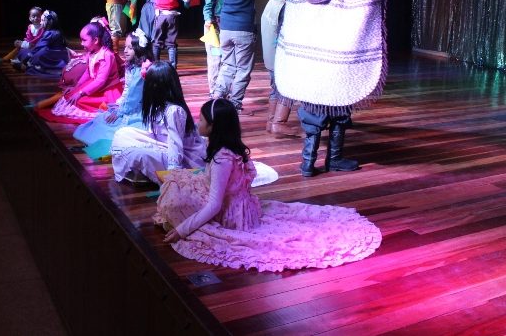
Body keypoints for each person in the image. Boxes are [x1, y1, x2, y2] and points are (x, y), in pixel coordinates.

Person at [154, 98, 382, 272]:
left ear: (213, 126)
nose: (198, 123)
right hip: (234, 203)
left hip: (232, 215)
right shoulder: (223, 150)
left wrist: (183, 230)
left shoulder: (223, 158)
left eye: (202, 120)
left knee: (177, 199)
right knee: (176, 187)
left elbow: (215, 205)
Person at [275, 0, 400, 176]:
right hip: (335, 75)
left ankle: (307, 163)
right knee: (339, 112)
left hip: (309, 74)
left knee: (312, 117)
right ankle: (334, 159)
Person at [212, 0, 283, 114]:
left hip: (225, 30)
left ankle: (217, 97)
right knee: (243, 69)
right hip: (243, 31)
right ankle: (235, 104)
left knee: (228, 65)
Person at [110, 61, 206, 184]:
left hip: (180, 154)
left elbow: (175, 144)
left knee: (139, 154)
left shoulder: (174, 111)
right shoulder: (157, 105)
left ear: (158, 86)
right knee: (122, 134)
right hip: (161, 143)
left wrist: (173, 173)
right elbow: (154, 133)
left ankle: (156, 172)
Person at [261, 0, 316, 137]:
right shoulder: (284, 6)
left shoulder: (271, 2)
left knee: (276, 89)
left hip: (270, 59)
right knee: (287, 88)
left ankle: (271, 121)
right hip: (280, 58)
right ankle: (279, 123)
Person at [72, 30, 153, 159]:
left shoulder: (141, 70)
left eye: (130, 48)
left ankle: (100, 143)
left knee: (112, 125)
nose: (125, 51)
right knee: (103, 118)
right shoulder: (131, 65)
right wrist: (119, 103)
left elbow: (134, 98)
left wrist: (120, 111)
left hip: (139, 109)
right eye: (125, 47)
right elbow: (127, 90)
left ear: (139, 49)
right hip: (129, 104)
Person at [37, 20, 123, 123]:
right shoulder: (93, 52)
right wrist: (77, 87)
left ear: (95, 40)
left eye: (84, 40)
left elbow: (100, 80)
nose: (81, 43)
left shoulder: (106, 55)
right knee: (71, 95)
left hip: (106, 89)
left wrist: (81, 92)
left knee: (80, 101)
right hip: (95, 84)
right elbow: (88, 72)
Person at [152, 0, 198, 68]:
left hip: (159, 15)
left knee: (156, 42)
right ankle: (172, 67)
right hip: (171, 16)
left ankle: (154, 66)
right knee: (171, 43)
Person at [15, 9, 69, 77]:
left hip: (51, 56)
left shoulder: (49, 33)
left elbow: (38, 47)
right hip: (60, 56)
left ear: (48, 22)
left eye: (42, 20)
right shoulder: (58, 32)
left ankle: (27, 67)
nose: (40, 22)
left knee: (26, 53)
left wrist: (26, 60)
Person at [202, 0, 228, 97]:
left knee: (226, 59)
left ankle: (223, 89)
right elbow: (207, 7)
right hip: (213, 27)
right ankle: (214, 90)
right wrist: (208, 20)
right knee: (215, 59)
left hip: (226, 25)